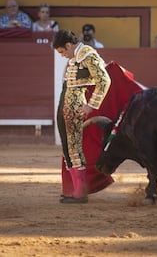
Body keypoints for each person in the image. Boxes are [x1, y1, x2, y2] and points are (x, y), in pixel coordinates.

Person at [53, 29, 112, 203]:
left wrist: (91, 106)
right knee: (68, 146)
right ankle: (75, 189)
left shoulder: (87, 54)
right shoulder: (76, 57)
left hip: (75, 105)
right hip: (66, 104)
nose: (63, 56)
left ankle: (80, 192)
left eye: (63, 52)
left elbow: (104, 80)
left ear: (69, 45)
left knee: (73, 147)